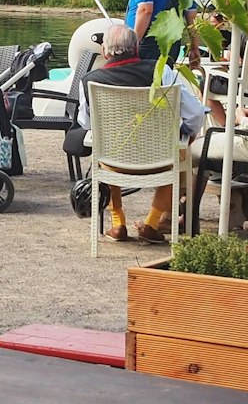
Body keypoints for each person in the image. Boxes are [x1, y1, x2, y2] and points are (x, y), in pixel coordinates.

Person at [74, 23, 215, 243]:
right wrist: (188, 133)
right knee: (179, 152)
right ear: (137, 48)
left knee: (102, 149)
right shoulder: (161, 72)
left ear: (105, 51)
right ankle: (152, 222)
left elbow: (85, 122)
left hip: (113, 160)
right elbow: (195, 113)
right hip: (159, 161)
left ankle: (117, 222)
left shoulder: (90, 81)